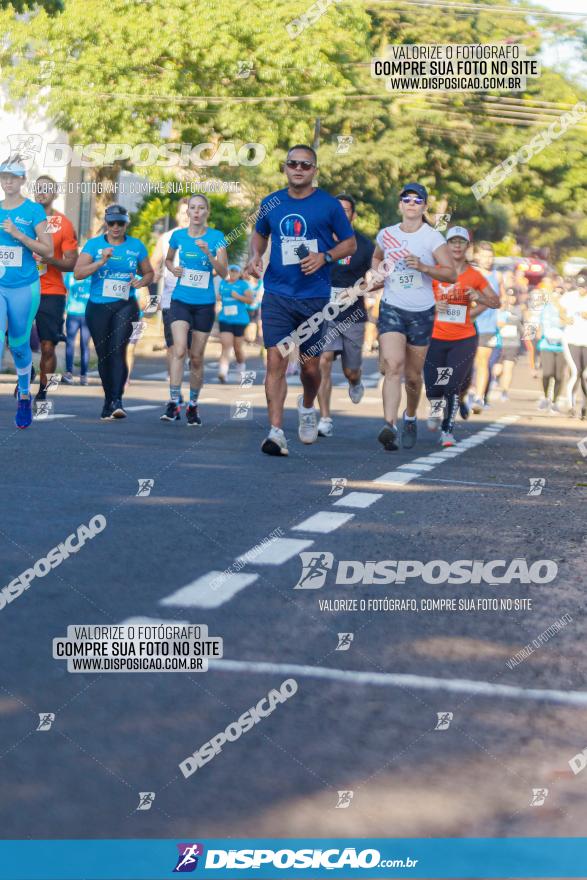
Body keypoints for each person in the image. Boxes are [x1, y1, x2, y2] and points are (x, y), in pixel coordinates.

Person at [246, 145, 356, 456]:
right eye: (293, 164)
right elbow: (260, 234)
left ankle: (308, 406)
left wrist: (325, 257)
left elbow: (349, 243)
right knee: (275, 362)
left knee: (310, 368)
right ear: (284, 167)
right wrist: (255, 255)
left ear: (314, 171)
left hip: (313, 296)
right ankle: (276, 431)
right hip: (278, 295)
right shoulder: (271, 202)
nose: (298, 169)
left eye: (305, 165)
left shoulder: (329, 205)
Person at [372, 182, 456, 451]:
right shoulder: (386, 234)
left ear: (424, 207)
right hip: (392, 307)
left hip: (421, 312)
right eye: (406, 199)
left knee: (413, 376)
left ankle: (409, 417)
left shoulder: (432, 238)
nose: (411, 203)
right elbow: (376, 259)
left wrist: (422, 266)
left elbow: (451, 273)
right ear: (399, 204)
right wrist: (379, 273)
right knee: (393, 365)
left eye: (417, 200)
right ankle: (389, 425)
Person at [73, 204, 154, 419]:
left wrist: (140, 282)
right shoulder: (94, 245)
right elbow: (78, 273)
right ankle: (108, 399)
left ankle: (118, 400)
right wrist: (101, 261)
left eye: (120, 223)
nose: (116, 227)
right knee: (104, 354)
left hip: (125, 305)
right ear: (106, 224)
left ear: (126, 224)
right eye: (112, 223)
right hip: (98, 306)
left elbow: (149, 273)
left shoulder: (136, 246)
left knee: (119, 349)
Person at [424, 226, 499, 446]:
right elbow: (418, 301)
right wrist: (433, 305)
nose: (457, 246)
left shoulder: (474, 275)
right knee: (434, 386)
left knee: (452, 385)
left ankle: (447, 430)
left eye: (461, 242)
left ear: (468, 247)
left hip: (464, 338)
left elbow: (496, 302)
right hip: (435, 336)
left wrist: (478, 298)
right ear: (446, 246)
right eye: (452, 242)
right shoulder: (436, 272)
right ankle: (436, 407)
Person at [160, 194, 228, 425]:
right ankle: (173, 402)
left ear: (207, 212)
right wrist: (174, 269)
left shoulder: (217, 237)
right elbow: (167, 260)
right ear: (187, 212)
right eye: (193, 208)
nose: (197, 212)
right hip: (180, 300)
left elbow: (224, 271)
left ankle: (193, 405)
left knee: (197, 358)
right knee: (179, 350)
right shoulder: (178, 236)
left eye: (201, 208)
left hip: (205, 304)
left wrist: (209, 253)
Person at [317, 193, 376, 438]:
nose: (341, 214)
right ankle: (325, 418)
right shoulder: (320, 240)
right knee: (323, 360)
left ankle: (355, 382)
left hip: (353, 316)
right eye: (337, 210)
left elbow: (379, 276)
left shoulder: (364, 244)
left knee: (351, 370)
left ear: (353, 215)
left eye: (346, 210)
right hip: (324, 314)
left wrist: (359, 289)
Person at [0, 157, 53, 428]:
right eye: (3, 176)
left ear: (22, 181)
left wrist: (19, 235)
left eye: (13, 176)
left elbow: (48, 250)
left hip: (24, 287)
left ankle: (23, 393)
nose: (8, 181)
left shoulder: (33, 211)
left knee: (19, 345)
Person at [32, 175, 79, 409]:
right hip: (20, 288)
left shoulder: (63, 224)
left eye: (46, 189)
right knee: (14, 340)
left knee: (48, 346)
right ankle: (25, 370)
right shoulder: (20, 219)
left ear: (55, 194)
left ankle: (42, 393)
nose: (42, 192)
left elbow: (71, 263)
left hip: (51, 291)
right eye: (38, 189)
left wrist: (49, 258)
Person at [151, 197, 191, 397]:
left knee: (191, 350)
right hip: (171, 301)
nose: (186, 216)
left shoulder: (206, 238)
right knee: (174, 347)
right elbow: (153, 264)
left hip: (197, 300)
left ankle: (191, 389)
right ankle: (175, 391)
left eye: (189, 212)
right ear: (177, 215)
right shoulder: (166, 238)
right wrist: (155, 273)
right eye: (182, 212)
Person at [470, 241, 503, 413]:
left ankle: (479, 397)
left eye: (490, 256)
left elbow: (501, 300)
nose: (487, 259)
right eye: (484, 256)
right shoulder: (472, 273)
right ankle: (465, 392)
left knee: (483, 361)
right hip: (469, 324)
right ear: (476, 256)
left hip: (488, 325)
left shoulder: (497, 276)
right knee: (468, 362)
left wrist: (502, 320)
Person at [217, 264, 253, 382]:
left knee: (238, 348)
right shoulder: (223, 283)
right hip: (225, 319)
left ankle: (241, 369)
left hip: (240, 320)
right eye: (231, 272)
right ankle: (223, 372)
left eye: (235, 272)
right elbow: (219, 297)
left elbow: (250, 300)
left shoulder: (243, 285)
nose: (233, 274)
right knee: (226, 345)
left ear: (239, 273)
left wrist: (238, 296)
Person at [560, 270, 587, 419]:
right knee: (576, 371)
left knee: (585, 374)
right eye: (579, 286)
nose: (581, 290)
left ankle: (584, 407)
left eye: (584, 287)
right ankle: (570, 406)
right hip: (571, 339)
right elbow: (561, 311)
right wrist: (565, 318)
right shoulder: (570, 297)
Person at [537, 287, 566, 412]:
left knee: (559, 376)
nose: (557, 295)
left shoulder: (566, 308)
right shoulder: (545, 308)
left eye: (561, 292)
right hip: (546, 344)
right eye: (556, 292)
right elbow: (539, 323)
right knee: (547, 373)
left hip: (562, 346)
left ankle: (554, 401)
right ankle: (545, 397)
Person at [62, 271, 91, 384]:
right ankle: (68, 372)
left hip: (87, 314)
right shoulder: (70, 275)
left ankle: (83, 375)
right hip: (72, 312)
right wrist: (64, 309)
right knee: (70, 343)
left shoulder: (92, 274)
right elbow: (66, 292)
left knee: (84, 345)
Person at [496, 290, 524, 400]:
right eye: (509, 296)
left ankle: (504, 391)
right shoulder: (499, 309)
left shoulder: (519, 310)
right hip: (499, 343)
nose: (512, 299)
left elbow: (523, 327)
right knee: (497, 369)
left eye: (514, 296)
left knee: (509, 368)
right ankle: (496, 379)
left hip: (513, 343)